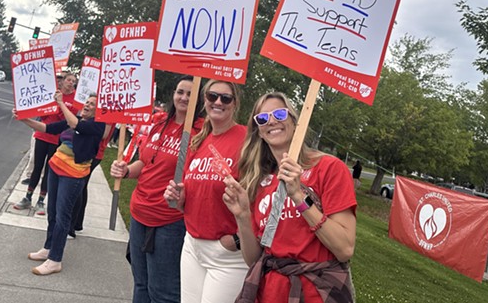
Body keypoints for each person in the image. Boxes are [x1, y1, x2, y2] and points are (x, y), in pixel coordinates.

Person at [222, 92, 357, 303]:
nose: (272, 121)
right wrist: (242, 216)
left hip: (315, 292)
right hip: (270, 292)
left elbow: (345, 249)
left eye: (279, 113)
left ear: (295, 121)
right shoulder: (260, 182)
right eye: (263, 119)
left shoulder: (328, 168)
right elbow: (254, 260)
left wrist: (298, 196)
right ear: (260, 132)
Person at [111, 75, 204, 303]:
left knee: (163, 291)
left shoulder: (201, 132)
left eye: (190, 94)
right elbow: (143, 163)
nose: (183, 97)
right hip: (139, 212)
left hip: (169, 219)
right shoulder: (159, 124)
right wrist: (125, 170)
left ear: (199, 100)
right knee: (140, 282)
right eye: (180, 92)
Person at [163, 79, 249, 303]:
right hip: (192, 244)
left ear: (235, 103)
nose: (218, 102)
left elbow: (261, 194)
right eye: (212, 96)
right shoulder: (199, 140)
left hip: (227, 255)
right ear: (204, 100)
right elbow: (190, 196)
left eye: (225, 98)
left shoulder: (247, 140)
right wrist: (178, 198)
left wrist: (238, 240)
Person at [13, 91, 106, 275]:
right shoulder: (76, 119)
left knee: (63, 216)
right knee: (52, 212)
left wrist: (61, 103)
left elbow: (74, 123)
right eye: (86, 102)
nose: (87, 105)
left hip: (73, 175)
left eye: (92, 104)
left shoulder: (97, 126)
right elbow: (48, 128)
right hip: (56, 169)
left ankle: (55, 259)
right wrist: (24, 119)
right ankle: (48, 248)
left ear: (100, 111)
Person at [13, 72, 78, 214]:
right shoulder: (52, 93)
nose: (70, 83)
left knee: (49, 170)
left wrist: (59, 105)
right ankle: (28, 197)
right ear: (62, 81)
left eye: (73, 81)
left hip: (57, 138)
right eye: (68, 80)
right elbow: (43, 114)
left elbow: (67, 120)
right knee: (37, 167)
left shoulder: (74, 100)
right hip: (42, 135)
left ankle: (41, 200)